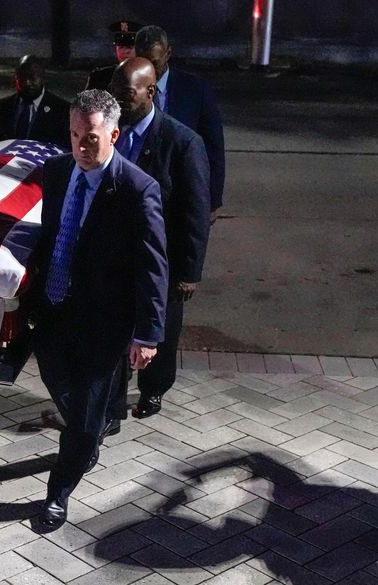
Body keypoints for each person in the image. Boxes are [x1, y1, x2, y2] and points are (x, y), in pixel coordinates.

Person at [28, 89, 168, 532]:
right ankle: (97, 418)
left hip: (104, 324)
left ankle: (57, 493)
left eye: (91, 138)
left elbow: (153, 265)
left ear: (113, 134)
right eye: (73, 136)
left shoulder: (136, 189)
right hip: (52, 313)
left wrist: (148, 334)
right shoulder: (54, 172)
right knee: (66, 395)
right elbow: (46, 238)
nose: (81, 148)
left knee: (84, 424)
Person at [108, 57, 210, 421]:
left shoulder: (183, 143)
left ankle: (152, 390)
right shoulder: (109, 132)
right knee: (113, 331)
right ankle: (111, 402)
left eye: (126, 94)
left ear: (150, 92)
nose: (117, 101)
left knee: (161, 329)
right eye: (114, 93)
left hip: (161, 260)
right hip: (116, 256)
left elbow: (195, 212)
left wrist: (189, 271)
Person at [134, 25, 226, 213]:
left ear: (168, 54)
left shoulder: (196, 90)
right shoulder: (124, 88)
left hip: (180, 196)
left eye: (154, 62)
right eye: (142, 61)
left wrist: (212, 199)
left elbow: (213, 148)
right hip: (137, 196)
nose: (148, 69)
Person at [0, 55, 70, 149]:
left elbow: (66, 147)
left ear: (42, 78)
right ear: (16, 78)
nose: (27, 83)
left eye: (32, 78)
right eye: (22, 78)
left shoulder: (61, 109)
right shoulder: (2, 106)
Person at [84, 20, 143, 91]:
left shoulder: (148, 76)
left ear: (139, 48)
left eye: (129, 47)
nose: (124, 51)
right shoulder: (99, 77)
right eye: (120, 47)